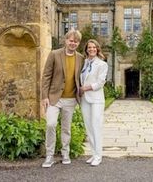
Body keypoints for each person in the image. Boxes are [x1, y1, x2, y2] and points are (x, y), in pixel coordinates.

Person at [41, 29, 84, 168]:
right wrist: (44, 97)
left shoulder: (80, 58)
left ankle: (65, 153)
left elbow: (81, 78)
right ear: (66, 40)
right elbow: (46, 76)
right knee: (50, 124)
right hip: (54, 98)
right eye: (71, 40)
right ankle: (49, 156)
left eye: (76, 41)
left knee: (66, 128)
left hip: (70, 99)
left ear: (78, 43)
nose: (73, 43)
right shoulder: (54, 54)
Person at [79, 39, 108, 167]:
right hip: (85, 99)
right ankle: (93, 154)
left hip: (96, 99)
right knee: (88, 127)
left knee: (96, 126)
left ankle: (98, 156)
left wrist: (85, 88)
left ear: (97, 49)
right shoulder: (84, 63)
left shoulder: (102, 64)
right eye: (89, 47)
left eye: (94, 47)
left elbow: (101, 83)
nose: (91, 49)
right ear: (86, 49)